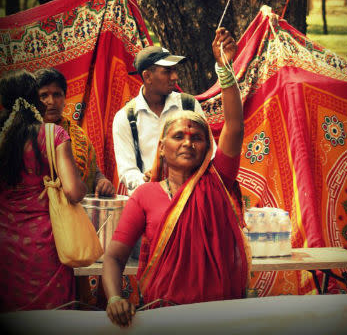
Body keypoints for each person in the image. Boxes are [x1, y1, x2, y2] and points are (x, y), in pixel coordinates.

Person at [103, 28, 251, 328]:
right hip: (161, 320)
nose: (188, 143)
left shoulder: (217, 182)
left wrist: (224, 68)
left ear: (207, 145)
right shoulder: (145, 195)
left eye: (197, 137)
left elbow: (234, 125)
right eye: (178, 136)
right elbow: (114, 257)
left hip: (221, 319)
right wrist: (115, 298)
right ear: (162, 146)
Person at [0, 69, 87, 311]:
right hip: (44, 245)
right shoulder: (53, 134)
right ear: (36, 99)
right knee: (52, 318)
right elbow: (73, 191)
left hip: (4, 247)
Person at [112, 44, 204, 194]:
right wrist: (146, 181)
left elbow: (209, 152)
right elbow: (127, 171)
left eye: (175, 70)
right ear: (147, 76)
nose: (175, 77)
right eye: (167, 71)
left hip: (190, 195)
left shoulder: (189, 105)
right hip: (148, 201)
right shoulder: (125, 118)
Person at [35, 68, 115, 197]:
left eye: (57, 94)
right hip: (37, 209)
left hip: (75, 210)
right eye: (44, 95)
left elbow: (93, 171)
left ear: (65, 98)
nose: (51, 101)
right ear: (34, 100)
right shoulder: (26, 135)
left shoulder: (78, 135)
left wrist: (101, 181)